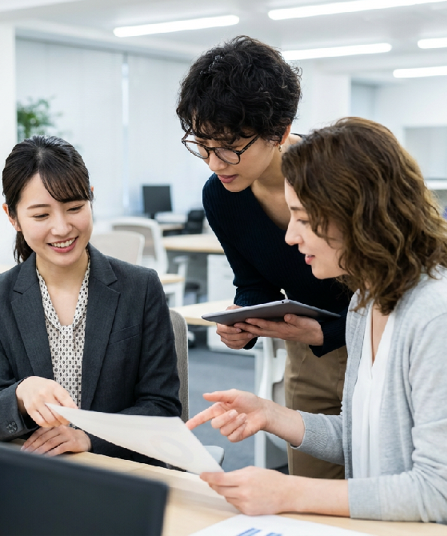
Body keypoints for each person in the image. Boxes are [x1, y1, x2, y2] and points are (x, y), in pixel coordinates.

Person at [187, 118, 447, 535]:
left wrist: (288, 492)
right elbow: (363, 437)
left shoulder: (443, 316)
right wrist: (271, 414)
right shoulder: (366, 302)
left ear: (358, 218)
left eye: (303, 219)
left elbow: (441, 491)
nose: (289, 237)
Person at [176, 35, 353, 479]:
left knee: (385, 487)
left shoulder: (338, 178)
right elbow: (252, 278)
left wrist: (328, 329)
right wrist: (245, 322)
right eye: (203, 145)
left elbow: (394, 293)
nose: (216, 161)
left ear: (281, 130)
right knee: (312, 490)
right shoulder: (222, 196)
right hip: (309, 355)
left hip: (377, 345)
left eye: (231, 145)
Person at [0, 135, 181, 464]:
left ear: (91, 201)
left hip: (119, 470)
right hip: (38, 471)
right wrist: (20, 395)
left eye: (74, 208)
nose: (62, 227)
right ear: (13, 218)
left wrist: (88, 438)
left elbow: (162, 408)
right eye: (41, 216)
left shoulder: (140, 288)